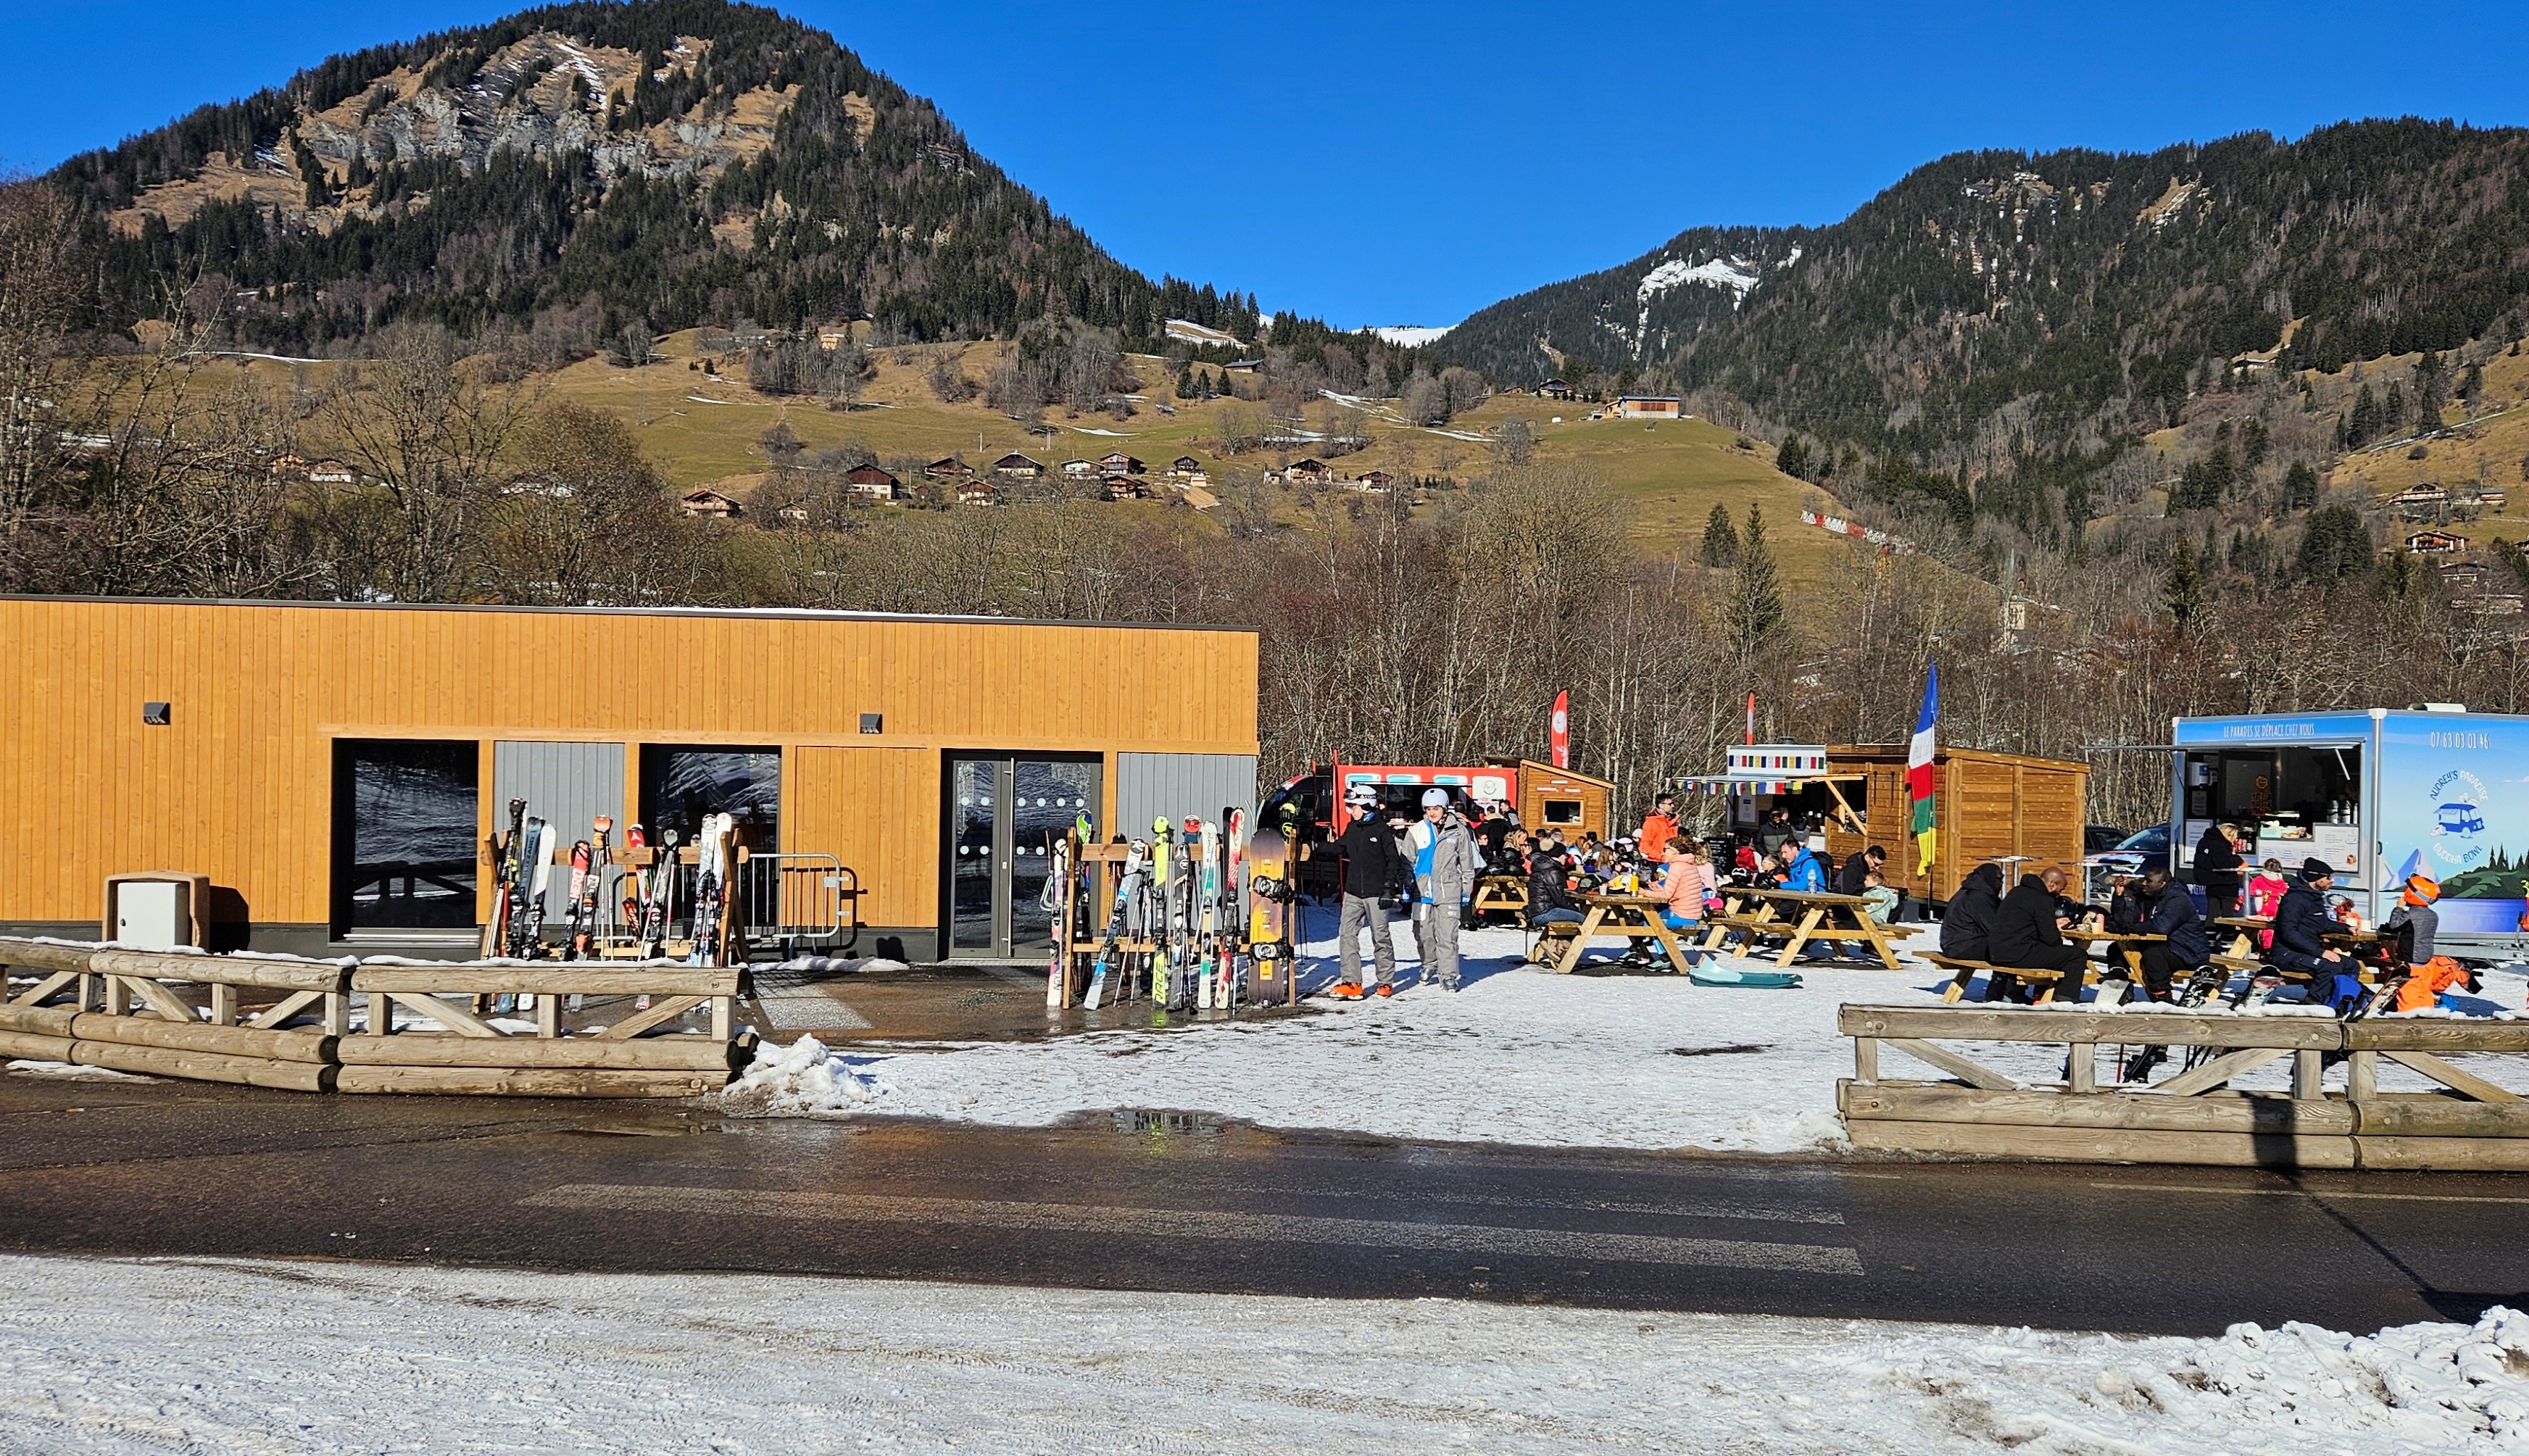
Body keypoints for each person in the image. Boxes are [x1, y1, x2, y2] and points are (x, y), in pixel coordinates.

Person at [2121, 866, 2211, 1082]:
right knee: (2120, 950)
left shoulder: (2177, 899)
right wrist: (2123, 899)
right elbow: (2126, 916)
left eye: (2148, 881)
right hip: (2171, 946)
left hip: (2189, 951)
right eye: (2144, 880)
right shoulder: (2151, 895)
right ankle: (2121, 988)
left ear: (2162, 883)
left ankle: (2164, 1005)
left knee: (2154, 956)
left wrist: (2134, 927)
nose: (2144, 883)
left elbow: (2161, 926)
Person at [1331, 785, 1406, 999]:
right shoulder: (1352, 827)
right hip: (1354, 892)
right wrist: (1309, 846)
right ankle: (1352, 982)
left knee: (1380, 937)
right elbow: (1339, 847)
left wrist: (1388, 890)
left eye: (1352, 806)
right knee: (1347, 935)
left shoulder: (1381, 830)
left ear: (1366, 805)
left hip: (1376, 893)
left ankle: (1385, 982)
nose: (1349, 810)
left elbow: (1393, 861)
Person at [1405, 789, 1477, 993]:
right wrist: (1405, 884)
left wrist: (1466, 890)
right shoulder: (1416, 831)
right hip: (1422, 890)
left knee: (1447, 936)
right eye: (1428, 809)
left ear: (1445, 809)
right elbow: (1406, 861)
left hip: (1449, 890)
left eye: (1436, 808)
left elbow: (1467, 863)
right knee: (1423, 933)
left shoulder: (1459, 831)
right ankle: (1429, 963)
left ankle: (1448, 975)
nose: (1432, 812)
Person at [2269, 857, 2359, 1013]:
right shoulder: (2294, 899)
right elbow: (2288, 933)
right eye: (2328, 877)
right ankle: (2313, 1002)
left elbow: (2322, 923)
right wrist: (2321, 952)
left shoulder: (2314, 897)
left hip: (2307, 952)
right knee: (2330, 966)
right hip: (2287, 953)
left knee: (2351, 965)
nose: (2332, 881)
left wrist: (2346, 928)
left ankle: (2341, 999)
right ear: (2316, 878)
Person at [1989, 865, 2089, 1004]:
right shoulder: (2043, 899)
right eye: (2061, 889)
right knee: (2077, 955)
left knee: (2047, 953)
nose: (2060, 893)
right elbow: (2051, 939)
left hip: (1996, 951)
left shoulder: (2016, 892)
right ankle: (2064, 999)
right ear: (2052, 885)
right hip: (2017, 953)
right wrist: (2055, 928)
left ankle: (2039, 996)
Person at [1942, 862, 2004, 962]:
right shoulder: (1977, 897)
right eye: (1999, 879)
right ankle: (2005, 976)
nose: (2002, 883)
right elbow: (1994, 928)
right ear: (1989, 878)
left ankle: (2004, 976)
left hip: (1955, 944)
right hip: (1962, 946)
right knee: (2010, 949)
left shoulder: (1972, 891)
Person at [2383, 873, 2442, 970]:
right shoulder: (2433, 916)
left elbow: (2394, 926)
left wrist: (2399, 907)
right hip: (2425, 956)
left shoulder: (2411, 915)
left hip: (2410, 958)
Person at [2194, 822, 2245, 918]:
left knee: (2212, 913)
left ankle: (2210, 931)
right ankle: (2228, 933)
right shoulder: (2220, 845)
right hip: (2226, 883)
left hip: (2211, 883)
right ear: (2229, 835)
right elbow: (2224, 863)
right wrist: (2237, 858)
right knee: (2228, 915)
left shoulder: (2205, 841)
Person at [1837, 844, 1899, 923]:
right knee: (1889, 905)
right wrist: (1867, 886)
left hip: (1860, 902)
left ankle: (1884, 930)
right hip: (1844, 906)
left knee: (1895, 903)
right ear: (1867, 857)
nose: (1877, 868)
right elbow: (1848, 891)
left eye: (1880, 865)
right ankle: (1877, 930)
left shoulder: (1867, 869)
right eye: (1876, 864)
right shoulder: (1852, 868)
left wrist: (1886, 890)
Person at [1639, 793, 1680, 862]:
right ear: (1661, 806)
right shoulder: (1651, 822)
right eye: (1670, 804)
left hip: (1674, 861)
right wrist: (1662, 857)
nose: (1673, 806)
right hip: (1657, 863)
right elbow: (1645, 847)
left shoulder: (1673, 821)